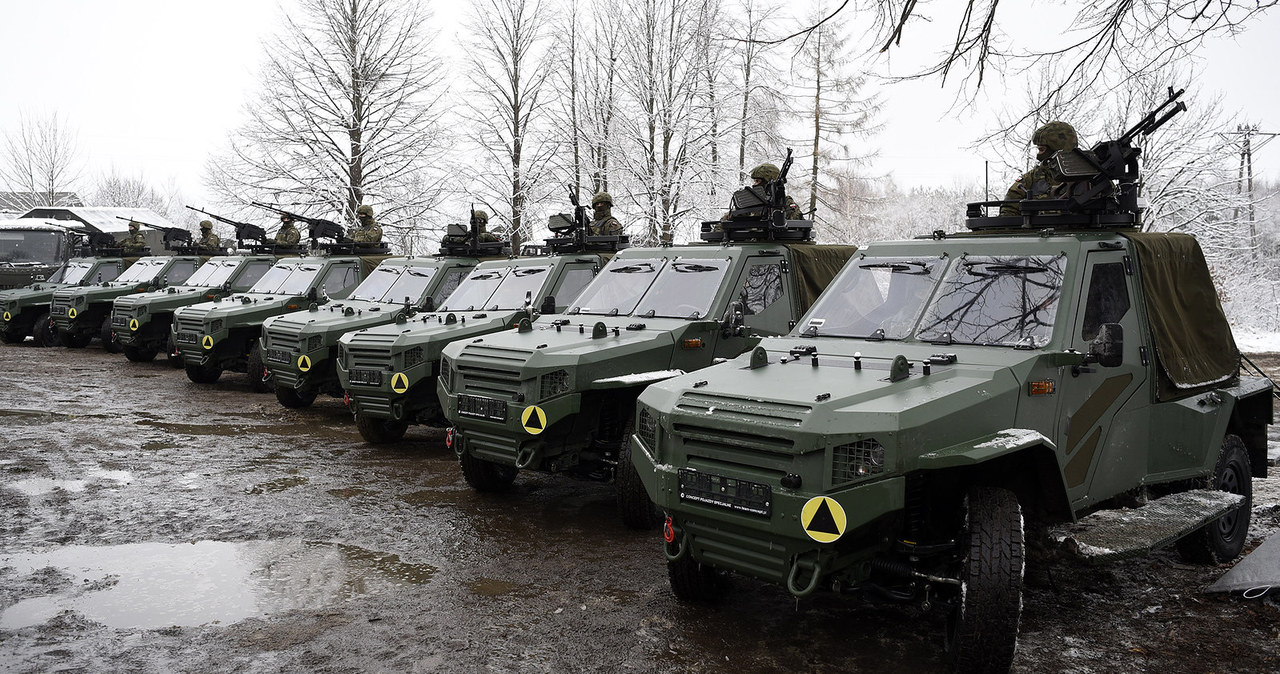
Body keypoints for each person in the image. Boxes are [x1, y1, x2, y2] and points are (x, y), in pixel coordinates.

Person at [1000, 121, 1086, 216]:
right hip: (1037, 230)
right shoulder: (1030, 179)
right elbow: (1008, 210)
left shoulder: (1089, 177)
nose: (1038, 156)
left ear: (1058, 150)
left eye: (1042, 150)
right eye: (1038, 149)